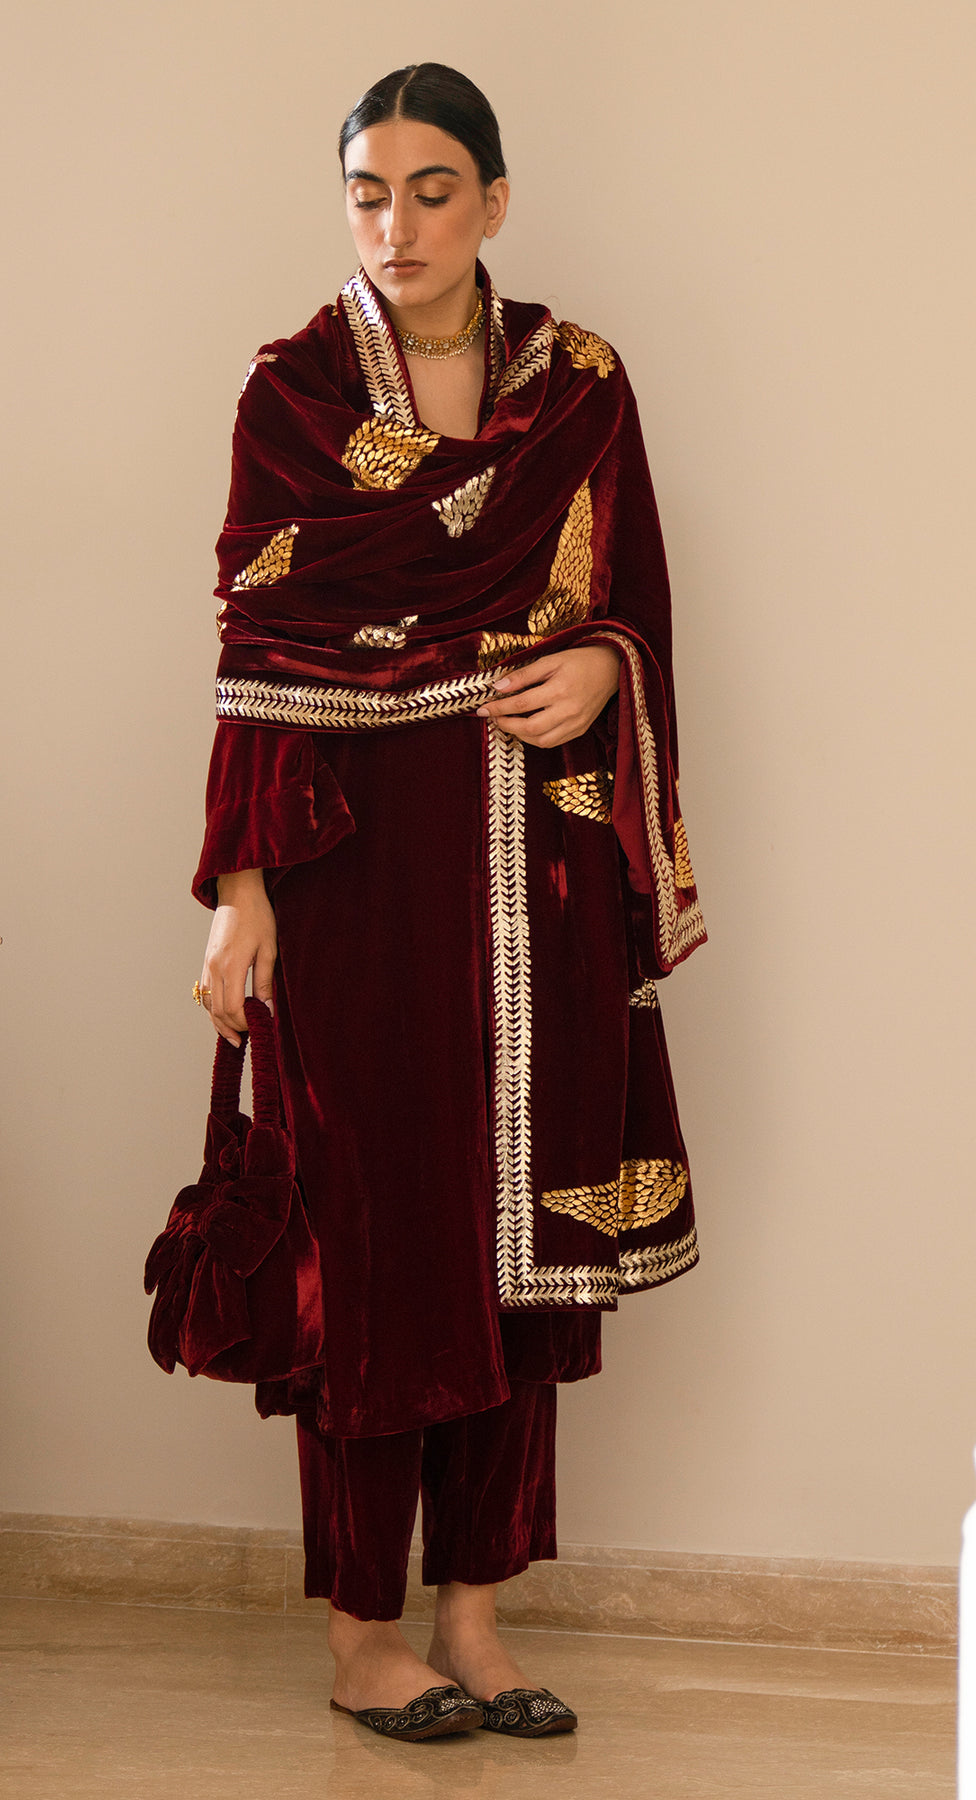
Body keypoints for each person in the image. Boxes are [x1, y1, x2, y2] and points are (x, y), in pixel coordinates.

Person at [192, 62, 705, 1743]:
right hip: (352, 869)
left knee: (521, 1248)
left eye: (430, 190)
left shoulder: (581, 386)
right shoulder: (291, 393)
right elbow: (257, 646)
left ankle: (476, 1622)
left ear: (494, 200)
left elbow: (638, 599)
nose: (395, 225)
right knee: (369, 1245)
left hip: (542, 863)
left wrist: (601, 666)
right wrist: (240, 889)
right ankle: (365, 1637)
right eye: (367, 193)